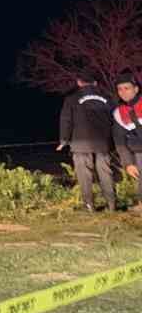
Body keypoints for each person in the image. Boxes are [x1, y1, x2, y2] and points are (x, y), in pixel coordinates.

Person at [58, 74, 117, 211]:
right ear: (95, 83)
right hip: (103, 142)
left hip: (80, 142)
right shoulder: (108, 99)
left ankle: (89, 205)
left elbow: (66, 120)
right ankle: (111, 205)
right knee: (106, 172)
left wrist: (64, 140)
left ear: (79, 82)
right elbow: (115, 119)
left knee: (84, 175)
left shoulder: (71, 99)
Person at [111, 72, 142, 191]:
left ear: (136, 89)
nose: (123, 92)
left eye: (127, 88)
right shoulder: (119, 113)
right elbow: (120, 142)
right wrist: (128, 163)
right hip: (138, 154)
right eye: (120, 89)